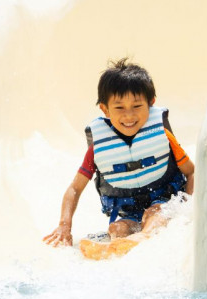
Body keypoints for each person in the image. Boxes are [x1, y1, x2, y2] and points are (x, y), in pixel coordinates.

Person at [43, 58, 195, 248]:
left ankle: (143, 237)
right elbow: (74, 189)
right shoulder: (98, 147)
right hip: (130, 211)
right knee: (117, 228)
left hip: (165, 201)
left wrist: (189, 210)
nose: (129, 115)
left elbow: (190, 172)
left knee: (155, 213)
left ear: (151, 103)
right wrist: (64, 227)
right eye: (119, 107)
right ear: (105, 109)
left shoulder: (162, 134)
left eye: (137, 106)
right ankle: (118, 246)